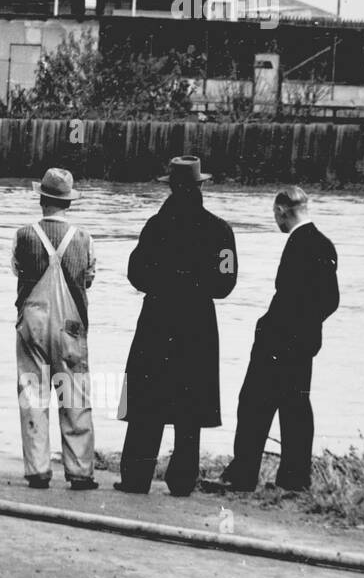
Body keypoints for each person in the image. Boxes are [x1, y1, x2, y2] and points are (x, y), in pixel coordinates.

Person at [117, 156, 238, 496]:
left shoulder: (155, 226)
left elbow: (135, 273)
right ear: (201, 186)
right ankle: (183, 479)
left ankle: (136, 477)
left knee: (146, 401)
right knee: (190, 404)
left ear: (170, 186)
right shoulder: (220, 230)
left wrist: (164, 284)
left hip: (157, 319)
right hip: (199, 323)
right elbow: (226, 283)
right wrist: (197, 287)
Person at [205, 187, 339, 494]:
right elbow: (330, 299)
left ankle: (242, 475)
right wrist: (309, 327)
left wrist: (270, 328)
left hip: (279, 343)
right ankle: (294, 478)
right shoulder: (323, 243)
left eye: (274, 214)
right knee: (296, 407)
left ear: (281, 210)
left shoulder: (298, 245)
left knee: (253, 405)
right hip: (304, 343)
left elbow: (289, 297)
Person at [12, 168, 98, 490]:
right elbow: (88, 279)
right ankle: (79, 471)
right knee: (74, 393)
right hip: (71, 325)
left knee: (32, 393)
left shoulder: (23, 234)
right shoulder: (84, 237)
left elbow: (17, 271)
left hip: (32, 320)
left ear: (42, 200)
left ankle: (37, 469)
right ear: (69, 203)